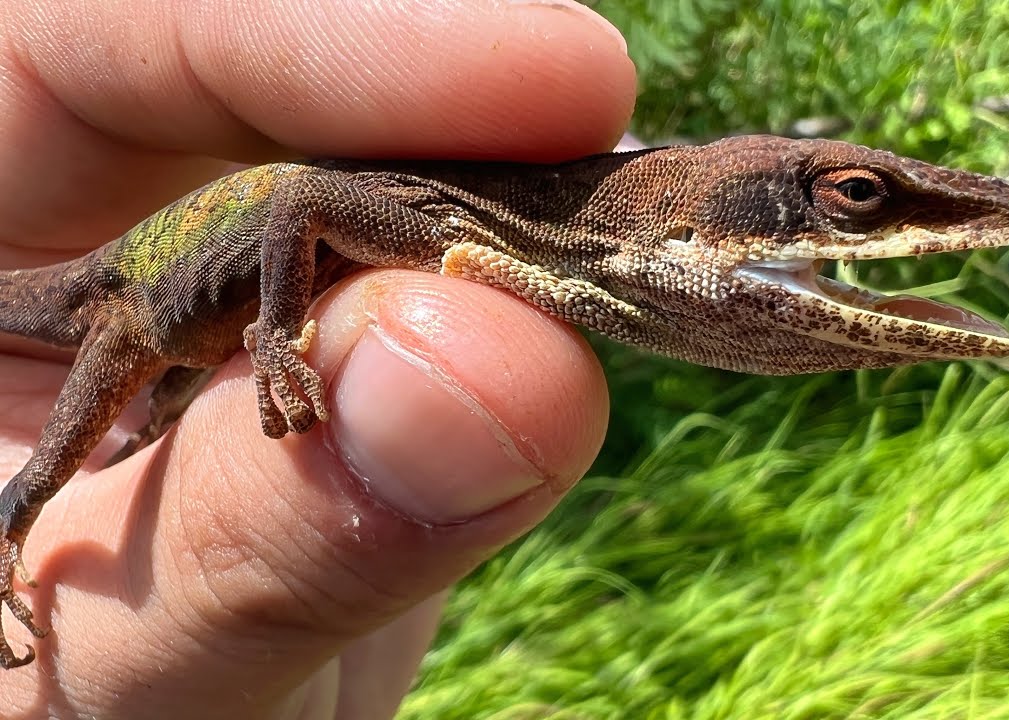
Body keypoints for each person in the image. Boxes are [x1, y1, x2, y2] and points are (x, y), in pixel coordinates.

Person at [0, 1, 635, 716]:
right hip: (125, 309)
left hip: (197, 313)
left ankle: (167, 398)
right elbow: (302, 197)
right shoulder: (422, 222)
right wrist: (275, 336)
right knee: (37, 482)